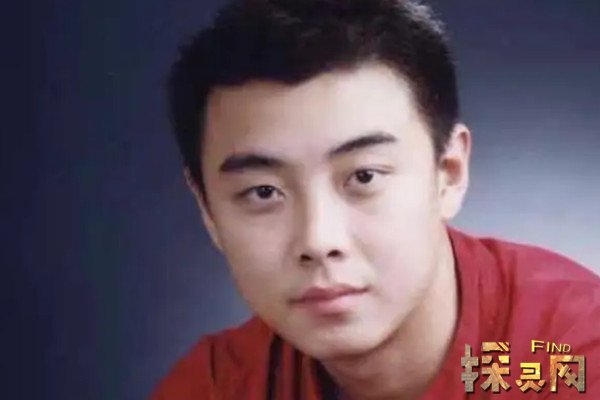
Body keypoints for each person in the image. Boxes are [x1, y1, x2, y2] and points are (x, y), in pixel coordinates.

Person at [151, 0, 600, 398]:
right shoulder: (220, 383)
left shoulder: (571, 353)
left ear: (448, 174)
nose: (319, 241)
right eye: (263, 192)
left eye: (364, 176)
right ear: (207, 210)